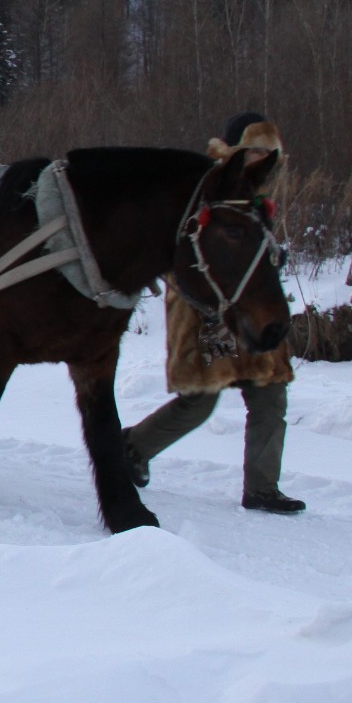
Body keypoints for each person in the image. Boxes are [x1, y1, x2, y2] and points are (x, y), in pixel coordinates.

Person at [124, 112, 304, 515]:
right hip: (204, 306)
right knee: (199, 401)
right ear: (236, 150)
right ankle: (131, 448)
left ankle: (262, 488)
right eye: (254, 150)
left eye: (268, 152)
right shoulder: (202, 185)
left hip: (251, 306)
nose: (262, 158)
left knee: (270, 395)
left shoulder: (256, 196)